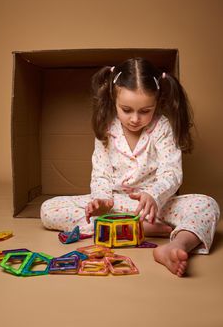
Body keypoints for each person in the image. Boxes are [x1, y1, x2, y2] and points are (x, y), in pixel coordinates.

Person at [41, 57, 220, 277]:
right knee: (49, 209)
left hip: (156, 206)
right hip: (115, 205)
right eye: (126, 110)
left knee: (207, 205)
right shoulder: (107, 128)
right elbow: (101, 173)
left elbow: (171, 173)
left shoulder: (162, 127)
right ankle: (137, 229)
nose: (135, 119)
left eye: (145, 111)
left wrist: (152, 195)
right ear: (113, 99)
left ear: (157, 102)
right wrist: (102, 200)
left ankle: (177, 245)